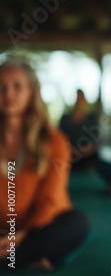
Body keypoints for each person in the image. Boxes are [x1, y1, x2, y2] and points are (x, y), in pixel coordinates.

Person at [0, 55, 89, 270]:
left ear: (31, 92)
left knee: (76, 224)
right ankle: (24, 260)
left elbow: (51, 200)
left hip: (38, 227)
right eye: (1, 87)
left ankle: (14, 258)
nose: (8, 94)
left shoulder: (55, 141)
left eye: (17, 86)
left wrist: (22, 234)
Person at [59, 89, 100, 171]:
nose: (79, 101)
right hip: (68, 156)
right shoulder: (65, 119)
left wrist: (83, 150)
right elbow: (60, 138)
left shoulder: (92, 119)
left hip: (87, 157)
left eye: (81, 98)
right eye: (77, 98)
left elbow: (94, 139)